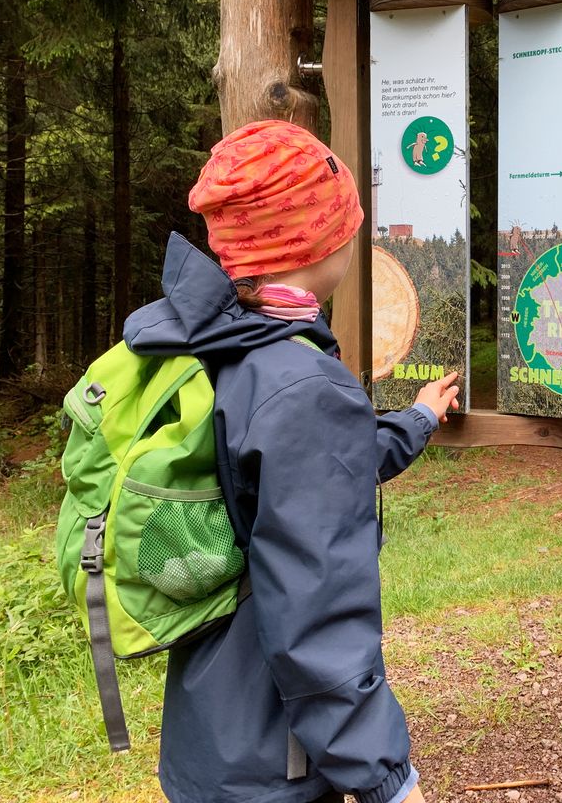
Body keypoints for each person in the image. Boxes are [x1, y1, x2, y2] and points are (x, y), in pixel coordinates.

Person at [123, 119, 459, 803]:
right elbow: (317, 608)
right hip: (276, 758)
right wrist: (386, 776)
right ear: (321, 240)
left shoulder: (219, 342)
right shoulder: (302, 384)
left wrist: (418, 416)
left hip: (211, 730)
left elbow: (315, 471)